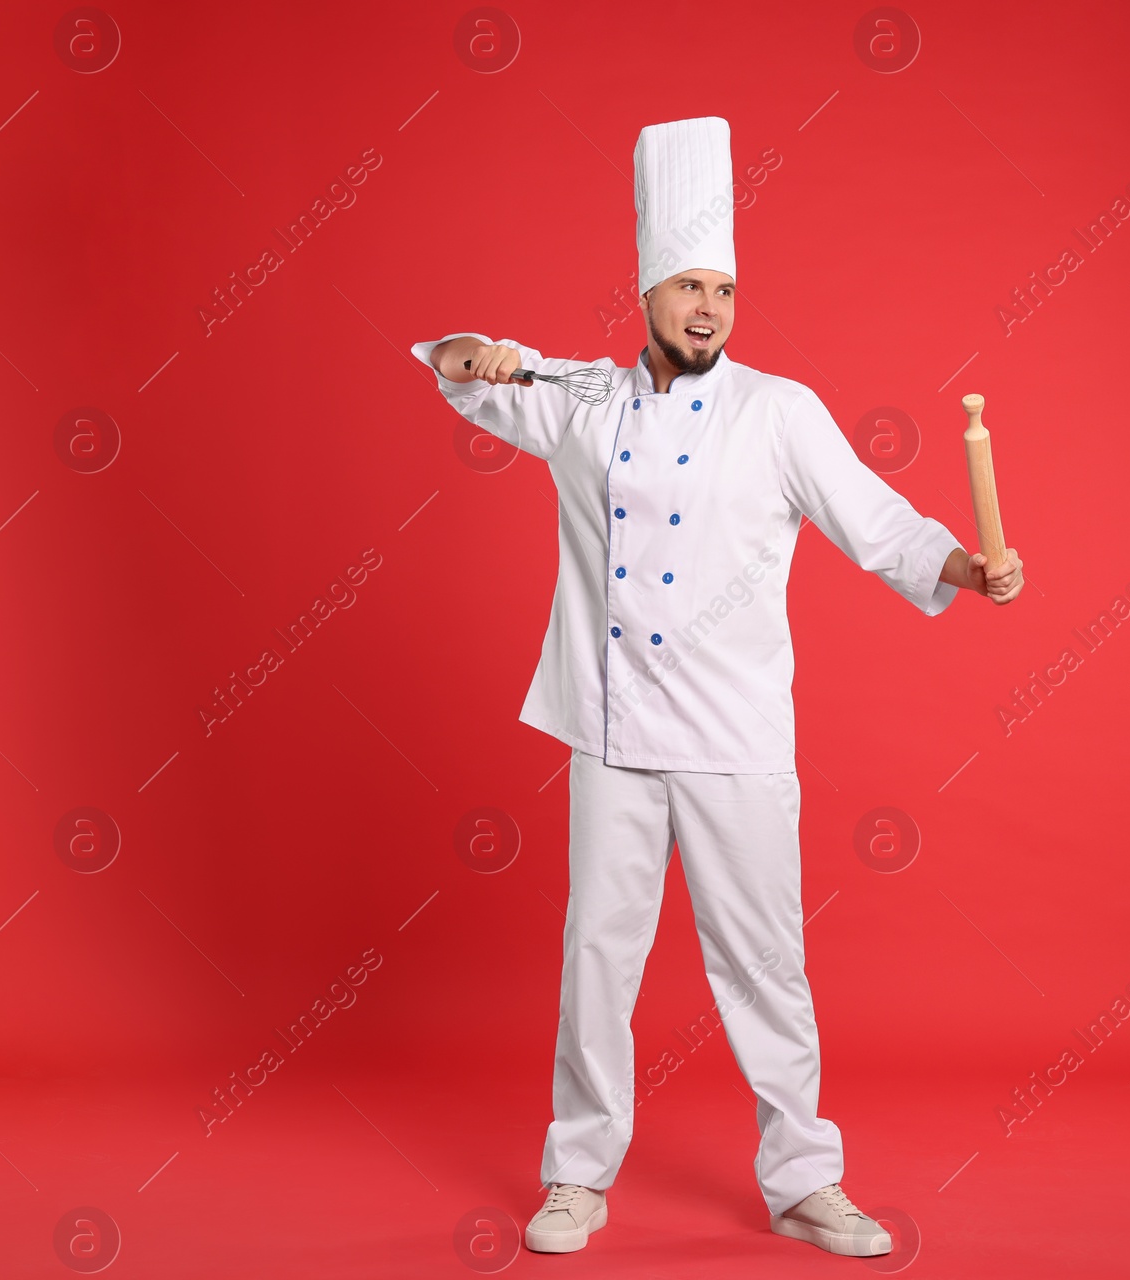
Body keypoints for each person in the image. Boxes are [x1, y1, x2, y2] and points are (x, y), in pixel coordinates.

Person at [411, 116, 1022, 1259]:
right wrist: (475, 349)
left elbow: (875, 518)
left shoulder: (777, 412)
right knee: (598, 948)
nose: (708, 308)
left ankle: (803, 1180)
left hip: (738, 732)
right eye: (689, 284)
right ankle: (577, 1175)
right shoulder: (581, 400)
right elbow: (456, 377)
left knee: (763, 962)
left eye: (725, 290)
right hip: (613, 727)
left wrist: (964, 566)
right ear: (646, 288)